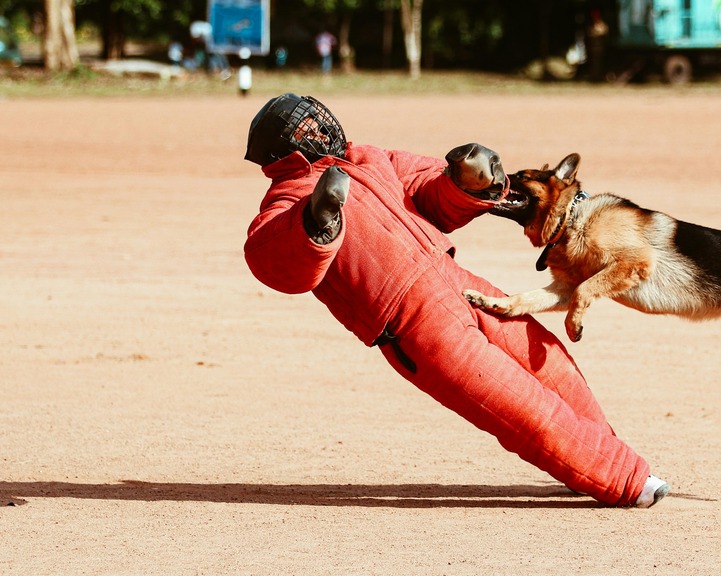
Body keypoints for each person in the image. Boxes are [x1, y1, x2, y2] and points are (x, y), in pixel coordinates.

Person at [242, 93, 670, 507]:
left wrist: (466, 181)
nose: (321, 125)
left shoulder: (366, 157)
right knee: (521, 406)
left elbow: (426, 190)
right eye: (305, 125)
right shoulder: (285, 200)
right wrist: (315, 220)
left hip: (458, 282)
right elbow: (273, 260)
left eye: (316, 115)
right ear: (285, 149)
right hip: (413, 324)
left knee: (551, 363)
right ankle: (626, 481)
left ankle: (594, 462)